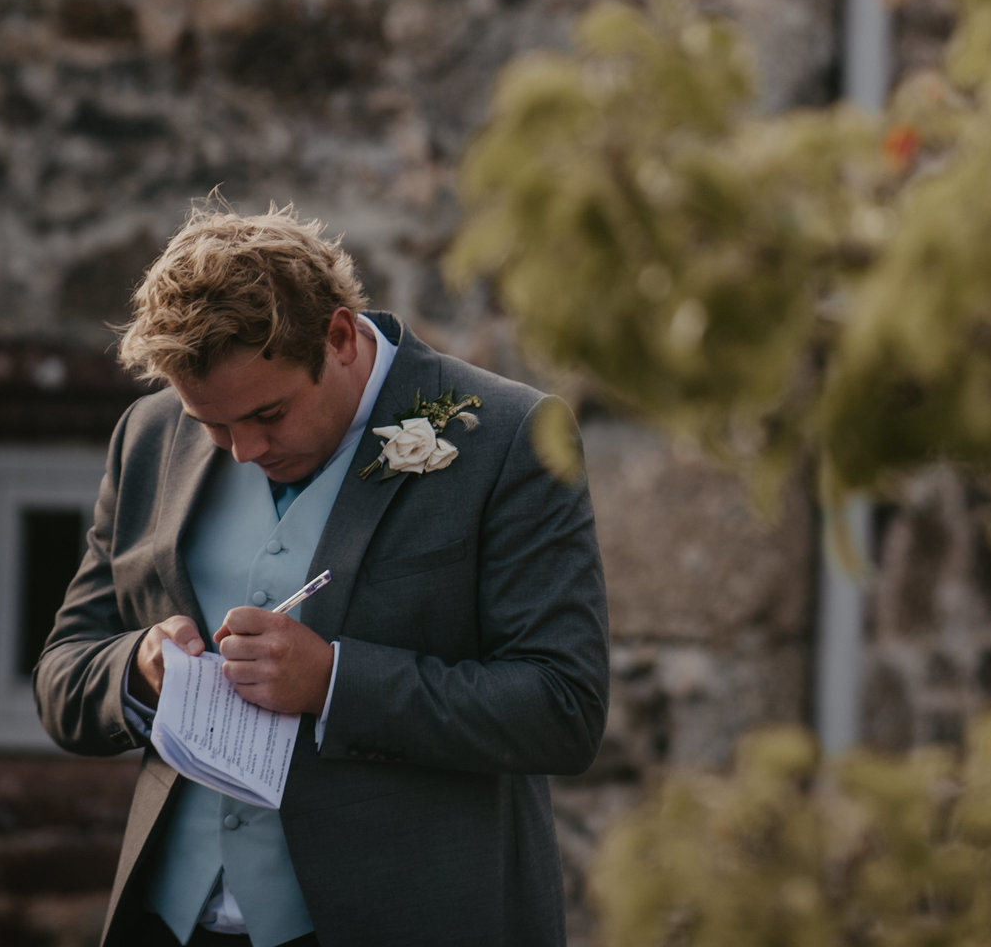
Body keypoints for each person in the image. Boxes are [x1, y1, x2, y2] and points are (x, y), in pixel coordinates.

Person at [35, 205, 610, 947]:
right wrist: (139, 667)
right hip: (171, 925)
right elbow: (61, 676)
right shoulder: (149, 437)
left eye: (268, 414)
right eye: (213, 424)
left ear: (339, 338)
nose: (241, 450)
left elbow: (561, 707)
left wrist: (334, 681)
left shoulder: (507, 438)